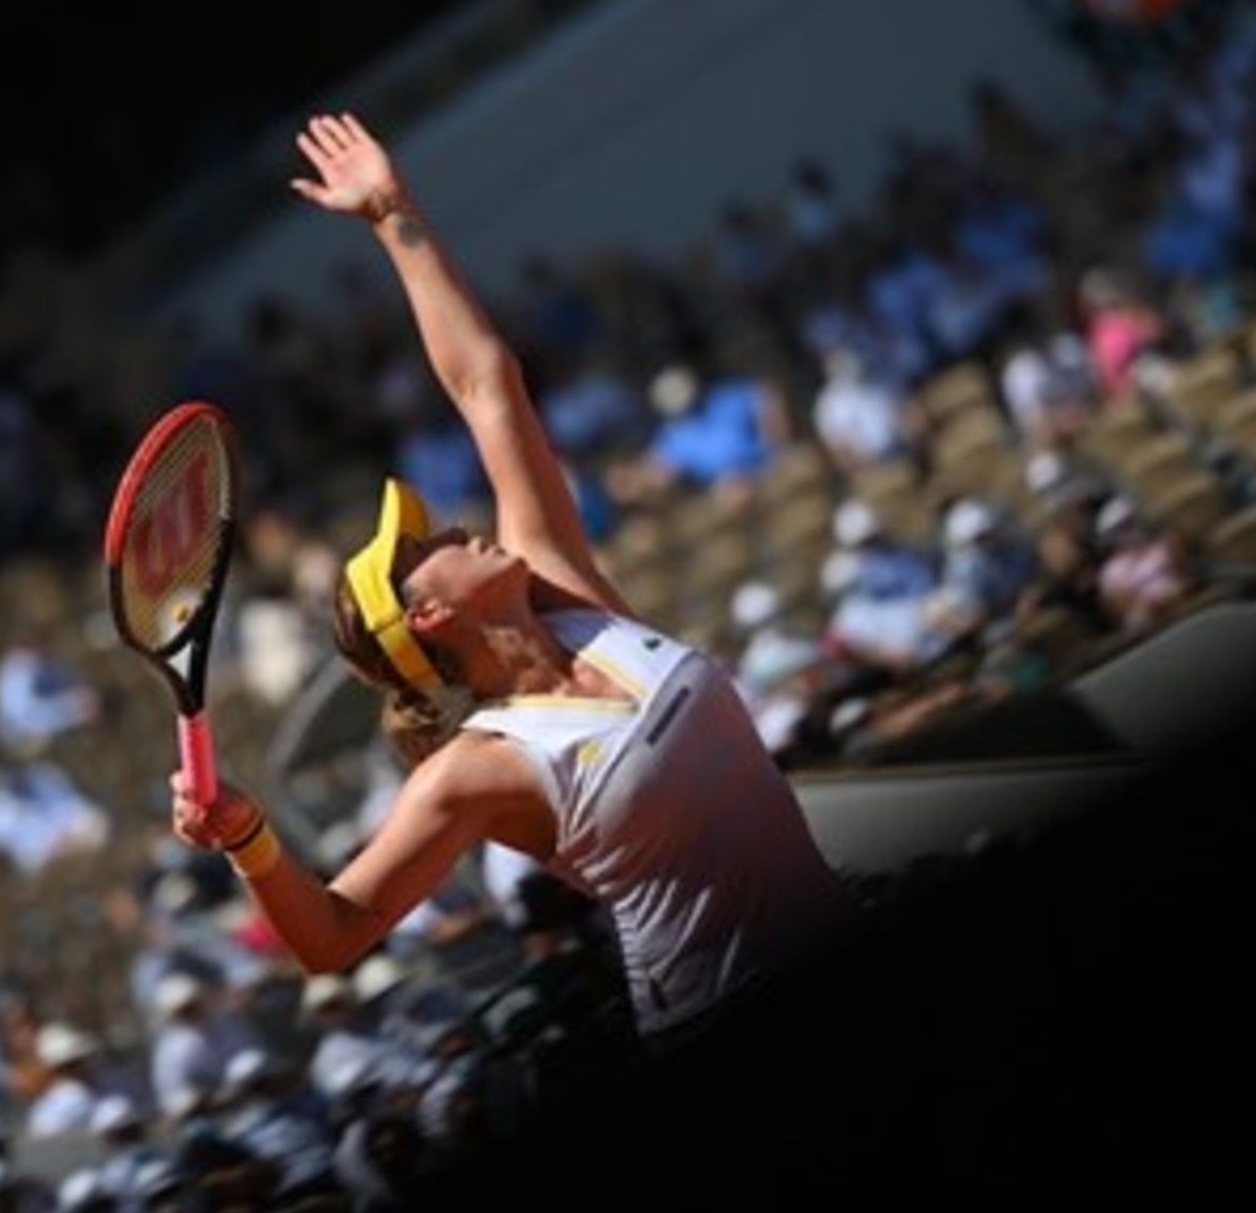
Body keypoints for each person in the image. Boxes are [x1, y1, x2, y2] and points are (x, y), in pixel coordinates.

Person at [168, 113, 857, 1127]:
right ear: (432, 611)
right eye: (424, 545)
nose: (449, 523)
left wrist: (394, 218)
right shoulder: (477, 767)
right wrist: (248, 838)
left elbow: (486, 386)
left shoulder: (563, 590)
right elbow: (332, 934)